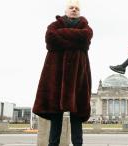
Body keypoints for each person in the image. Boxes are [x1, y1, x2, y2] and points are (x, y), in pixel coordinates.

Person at [32, 0, 93, 146]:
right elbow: (50, 38)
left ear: (80, 11)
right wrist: (75, 41)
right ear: (66, 10)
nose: (74, 10)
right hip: (56, 76)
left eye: (77, 8)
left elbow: (86, 37)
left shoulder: (86, 27)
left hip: (78, 76)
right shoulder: (54, 25)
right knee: (56, 120)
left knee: (76, 119)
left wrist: (63, 37)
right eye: (71, 8)